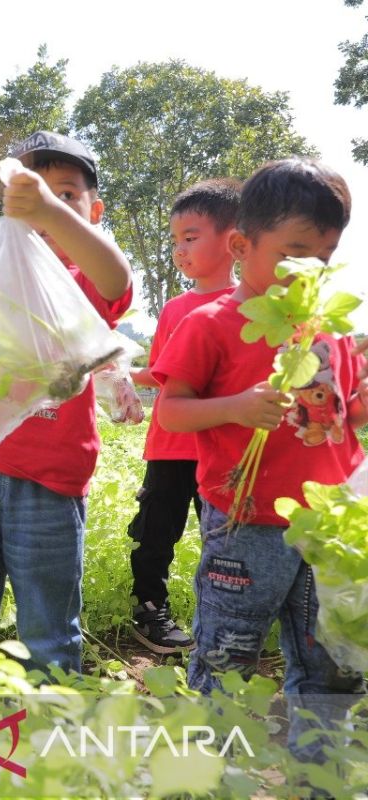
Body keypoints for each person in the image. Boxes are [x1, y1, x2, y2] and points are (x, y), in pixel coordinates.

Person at [0, 67, 133, 674]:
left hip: (51, 476)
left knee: (47, 629)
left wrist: (51, 211)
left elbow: (118, 277)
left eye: (68, 195)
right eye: (33, 192)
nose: (50, 204)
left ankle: (49, 747)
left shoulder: (87, 279)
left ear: (95, 208)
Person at [155, 158, 366, 762]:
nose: (310, 271)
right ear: (243, 246)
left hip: (327, 529)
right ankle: (208, 771)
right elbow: (171, 412)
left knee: (331, 665)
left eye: (323, 257)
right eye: (294, 253)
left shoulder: (328, 330)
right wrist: (237, 407)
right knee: (228, 656)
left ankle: (315, 776)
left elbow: (344, 418)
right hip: (245, 527)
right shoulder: (211, 324)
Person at [126, 178, 240, 654]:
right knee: (156, 533)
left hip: (224, 451)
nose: (179, 250)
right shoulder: (176, 309)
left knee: (229, 542)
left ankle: (227, 622)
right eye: (175, 241)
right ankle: (150, 610)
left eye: (190, 238)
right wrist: (124, 376)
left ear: (235, 239)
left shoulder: (250, 308)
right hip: (171, 447)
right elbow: (165, 373)